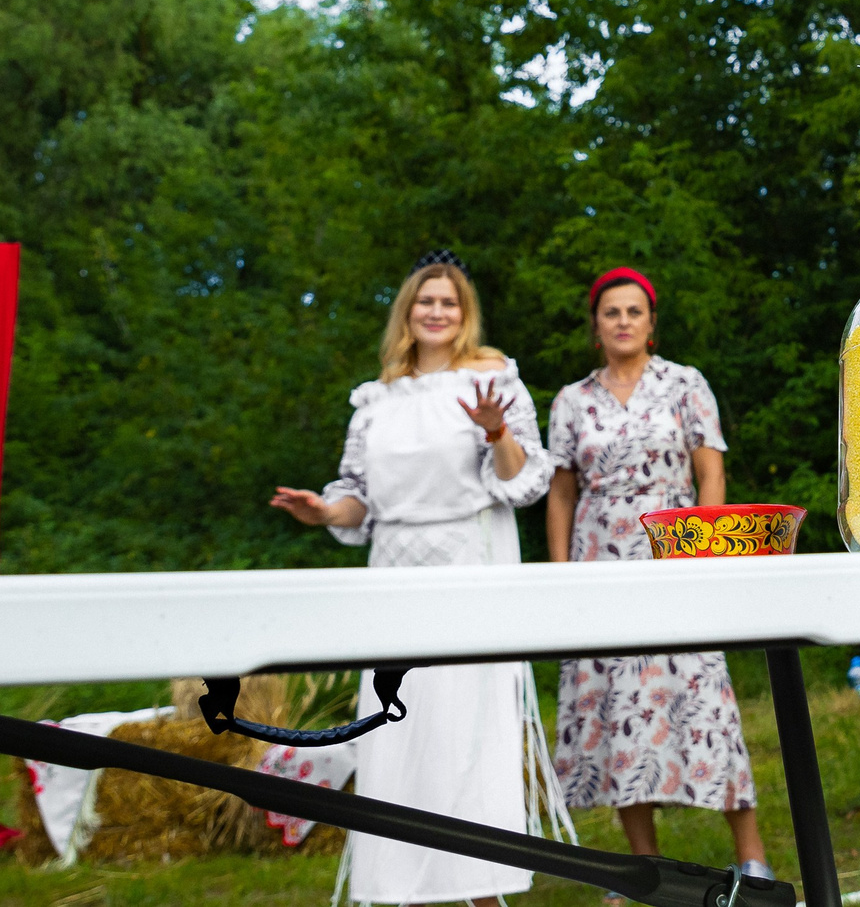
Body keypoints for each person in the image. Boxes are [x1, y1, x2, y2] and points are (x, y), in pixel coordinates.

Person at [270, 253, 561, 906]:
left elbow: (522, 480)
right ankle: (401, 888)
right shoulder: (376, 400)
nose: (436, 311)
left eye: (448, 302)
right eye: (425, 301)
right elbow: (358, 498)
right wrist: (324, 512)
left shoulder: (493, 379)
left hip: (469, 560)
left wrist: (496, 432)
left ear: (464, 313)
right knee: (395, 722)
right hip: (395, 567)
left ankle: (483, 890)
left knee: (465, 727)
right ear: (407, 312)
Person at [544, 268, 767, 896]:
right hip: (599, 564)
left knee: (704, 697)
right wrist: (560, 578)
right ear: (596, 327)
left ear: (651, 323)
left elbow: (710, 472)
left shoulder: (684, 384)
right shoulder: (571, 401)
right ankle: (647, 870)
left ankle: (752, 858)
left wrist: (704, 550)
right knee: (618, 706)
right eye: (611, 312)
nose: (622, 321)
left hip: (675, 553)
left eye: (633, 311)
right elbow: (560, 493)